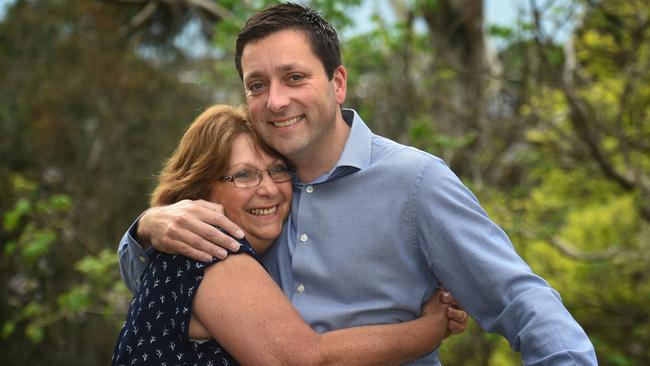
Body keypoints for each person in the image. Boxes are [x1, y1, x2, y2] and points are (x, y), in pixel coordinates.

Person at [118, 3, 598, 365]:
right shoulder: (252, 196)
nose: (276, 100)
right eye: (257, 84)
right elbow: (169, 304)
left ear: (338, 82)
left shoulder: (415, 182)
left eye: (294, 77)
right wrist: (146, 227)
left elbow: (519, 300)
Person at [112, 104, 467, 365]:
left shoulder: (183, 252)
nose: (268, 189)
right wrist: (432, 328)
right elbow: (307, 361)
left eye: (278, 170)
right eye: (245, 175)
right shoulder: (213, 253)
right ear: (201, 189)